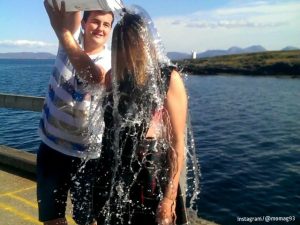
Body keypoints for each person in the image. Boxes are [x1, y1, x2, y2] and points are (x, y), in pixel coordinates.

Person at [97, 6, 189, 225]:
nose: (125, 51)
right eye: (120, 45)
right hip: (112, 175)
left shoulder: (167, 78)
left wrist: (168, 199)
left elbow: (177, 145)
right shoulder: (114, 78)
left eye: (130, 44)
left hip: (150, 177)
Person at [37, 0, 114, 224]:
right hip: (52, 149)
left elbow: (95, 77)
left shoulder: (111, 61)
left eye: (106, 25)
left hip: (89, 157)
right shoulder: (68, 42)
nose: (100, 28)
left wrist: (61, 32)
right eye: (95, 22)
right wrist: (65, 26)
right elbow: (66, 6)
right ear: (84, 23)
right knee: (52, 219)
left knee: (87, 221)